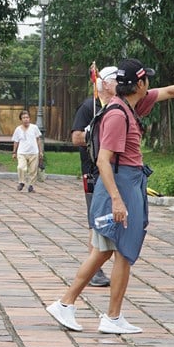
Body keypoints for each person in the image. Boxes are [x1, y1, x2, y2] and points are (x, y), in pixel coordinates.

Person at [47, 59, 174, 334]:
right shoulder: (117, 115)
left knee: (118, 252)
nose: (151, 86)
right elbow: (103, 161)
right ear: (140, 83)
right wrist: (117, 200)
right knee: (109, 250)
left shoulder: (131, 106)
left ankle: (107, 315)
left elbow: (169, 92)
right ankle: (69, 304)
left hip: (129, 183)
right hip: (119, 186)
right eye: (148, 81)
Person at [69, 66, 119, 288]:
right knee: (95, 220)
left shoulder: (116, 107)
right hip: (93, 171)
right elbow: (76, 137)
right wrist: (95, 130)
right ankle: (94, 269)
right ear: (106, 84)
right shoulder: (90, 106)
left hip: (114, 171)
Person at [11, 110, 43, 192]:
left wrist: (40, 152)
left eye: (27, 117)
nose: (26, 119)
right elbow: (16, 141)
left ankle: (31, 185)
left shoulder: (34, 128)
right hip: (22, 152)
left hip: (33, 152)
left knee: (33, 170)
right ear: (21, 119)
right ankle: (21, 182)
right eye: (24, 118)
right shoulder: (18, 129)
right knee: (21, 167)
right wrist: (14, 152)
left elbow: (38, 140)